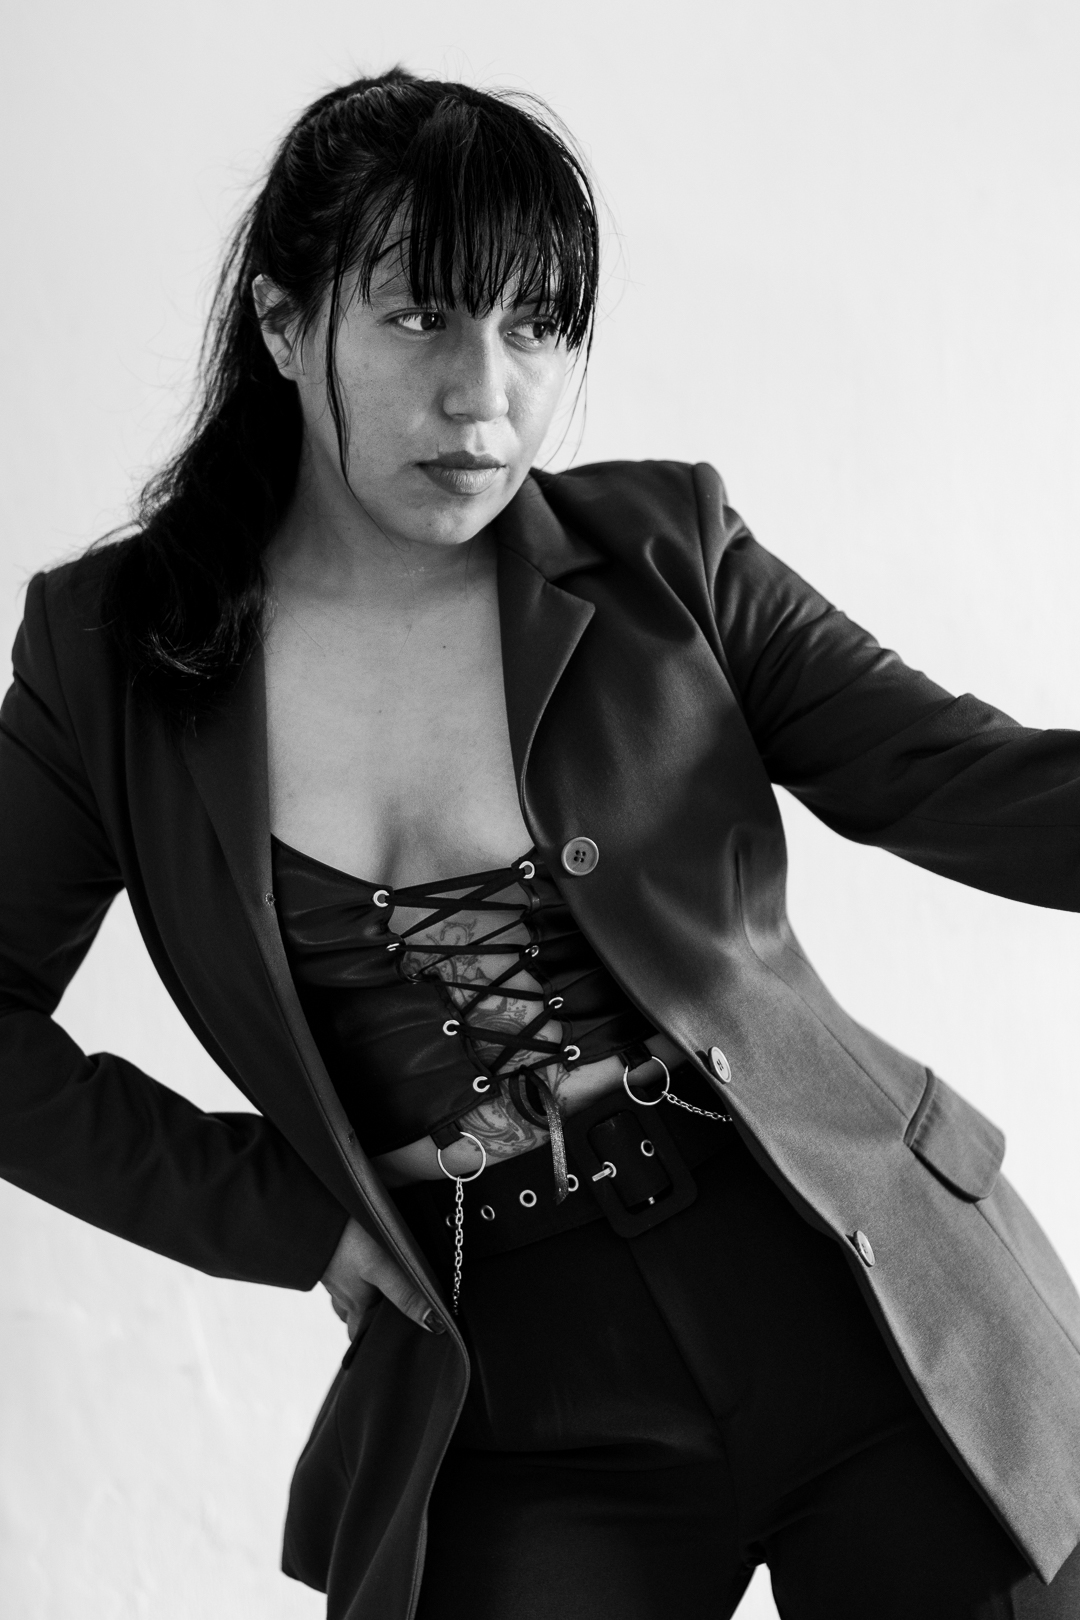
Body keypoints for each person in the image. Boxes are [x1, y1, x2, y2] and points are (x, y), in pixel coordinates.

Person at [2, 66, 1079, 1620]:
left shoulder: (665, 556)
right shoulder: (113, 655)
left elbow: (961, 778)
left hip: (868, 1293)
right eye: (420, 318)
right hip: (512, 1382)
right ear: (284, 323)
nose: (485, 396)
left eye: (538, 326)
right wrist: (288, 1216)